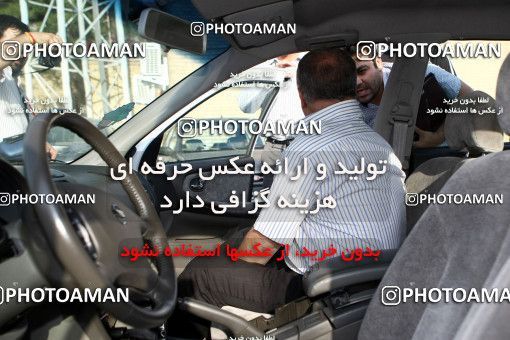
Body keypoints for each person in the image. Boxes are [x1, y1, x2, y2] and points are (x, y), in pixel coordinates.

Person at [178, 48, 406, 316]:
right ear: (351, 87)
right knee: (237, 237)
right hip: (369, 277)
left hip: (326, 289)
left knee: (199, 277)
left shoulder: (310, 147)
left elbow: (262, 247)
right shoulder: (376, 142)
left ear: (301, 94)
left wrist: (230, 268)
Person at [352, 49, 473, 148]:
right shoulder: (346, 106)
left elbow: (470, 98)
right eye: (349, 76)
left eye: (362, 71)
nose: (356, 82)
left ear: (378, 62)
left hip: (445, 157)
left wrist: (439, 135)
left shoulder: (419, 73)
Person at [0, 15, 61, 158]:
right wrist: (30, 38)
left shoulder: (13, 83)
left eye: (26, 47)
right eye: (15, 44)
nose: (21, 52)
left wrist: (37, 144)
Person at [238, 53, 304, 186]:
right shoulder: (262, 66)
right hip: (272, 148)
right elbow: (246, 106)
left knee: (305, 195)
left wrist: (299, 77)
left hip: (303, 145)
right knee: (271, 197)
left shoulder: (312, 62)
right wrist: (272, 78)